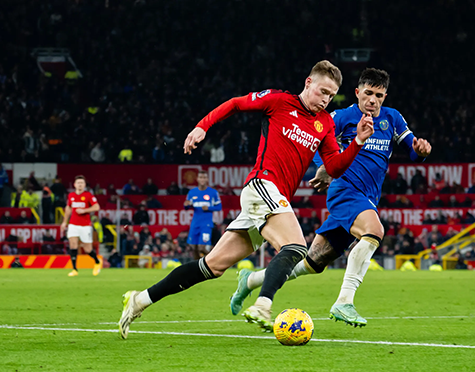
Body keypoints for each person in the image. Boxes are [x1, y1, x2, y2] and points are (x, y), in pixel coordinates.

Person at [118, 60, 374, 338]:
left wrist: (358, 142)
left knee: (212, 266)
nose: (325, 100)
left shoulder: (324, 123)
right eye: (323, 91)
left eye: (331, 95)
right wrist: (203, 126)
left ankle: (140, 300)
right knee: (296, 247)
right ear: (308, 82)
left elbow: (334, 167)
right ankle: (263, 305)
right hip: (262, 185)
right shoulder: (279, 101)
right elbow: (236, 104)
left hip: (272, 199)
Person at [231, 68, 431, 327]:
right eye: (368, 93)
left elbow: (412, 149)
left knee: (313, 262)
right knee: (374, 231)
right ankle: (344, 301)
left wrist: (420, 151)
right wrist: (324, 168)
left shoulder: (392, 118)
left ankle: (250, 280)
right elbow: (316, 141)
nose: (373, 100)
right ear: (357, 92)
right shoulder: (342, 117)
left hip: (368, 198)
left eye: (379, 95)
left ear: (385, 97)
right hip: (345, 191)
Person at [60, 175, 102, 277]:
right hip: (73, 224)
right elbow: (68, 208)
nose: (80, 185)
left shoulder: (88, 195)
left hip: (85, 225)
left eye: (82, 183)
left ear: (84, 185)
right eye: (78, 183)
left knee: (88, 249)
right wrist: (64, 222)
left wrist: (85, 210)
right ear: (74, 185)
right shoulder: (71, 195)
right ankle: (74, 269)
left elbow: (97, 207)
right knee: (73, 245)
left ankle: (97, 262)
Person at [184, 170, 222, 260]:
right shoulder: (192, 192)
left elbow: (219, 207)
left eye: (204, 177)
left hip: (206, 224)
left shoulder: (213, 192)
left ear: (207, 179)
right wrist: (186, 205)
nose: (202, 179)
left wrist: (209, 208)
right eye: (201, 177)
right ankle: (197, 267)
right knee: (194, 247)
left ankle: (215, 261)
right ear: (197, 179)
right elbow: (186, 207)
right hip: (195, 223)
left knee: (202, 247)